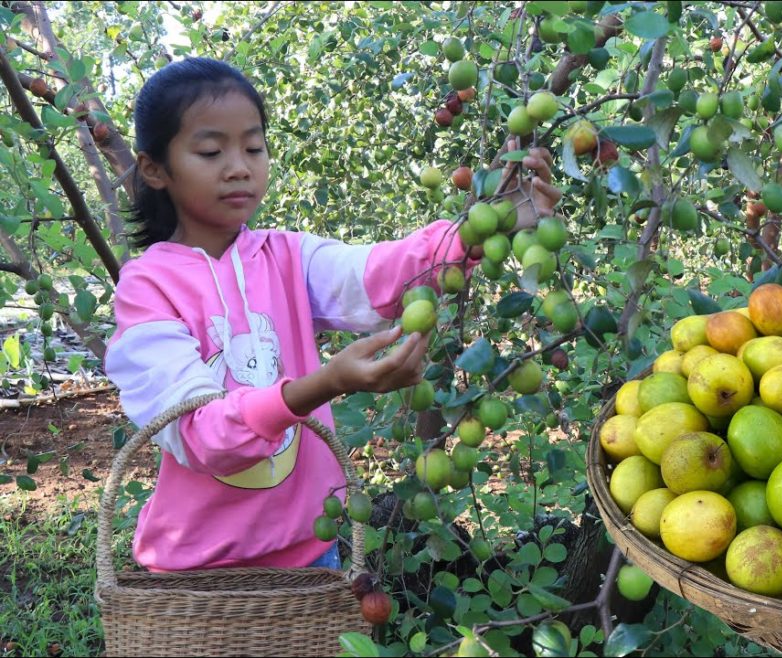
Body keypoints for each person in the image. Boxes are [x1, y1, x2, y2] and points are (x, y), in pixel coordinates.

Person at [105, 57, 560, 572]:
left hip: (313, 552)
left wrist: (485, 223)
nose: (239, 166)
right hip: (199, 574)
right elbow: (197, 434)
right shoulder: (148, 287)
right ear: (155, 169)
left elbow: (375, 275)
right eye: (211, 151)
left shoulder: (287, 257)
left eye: (254, 147)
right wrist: (325, 383)